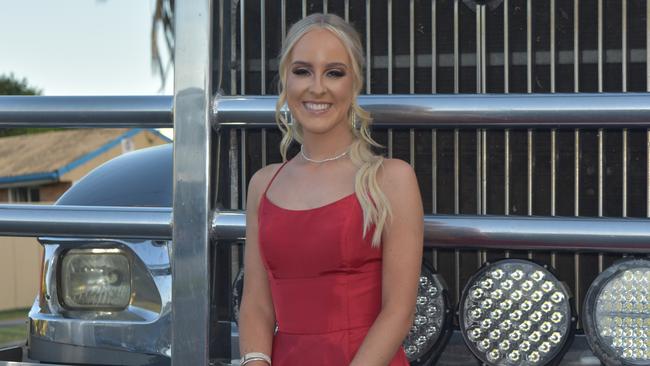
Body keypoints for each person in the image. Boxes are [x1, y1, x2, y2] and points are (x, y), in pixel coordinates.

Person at [238, 12, 423, 366]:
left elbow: (399, 312)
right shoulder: (263, 184)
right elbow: (256, 303)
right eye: (302, 71)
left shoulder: (391, 179)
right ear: (285, 81)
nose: (317, 87)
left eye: (334, 72)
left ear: (354, 84)